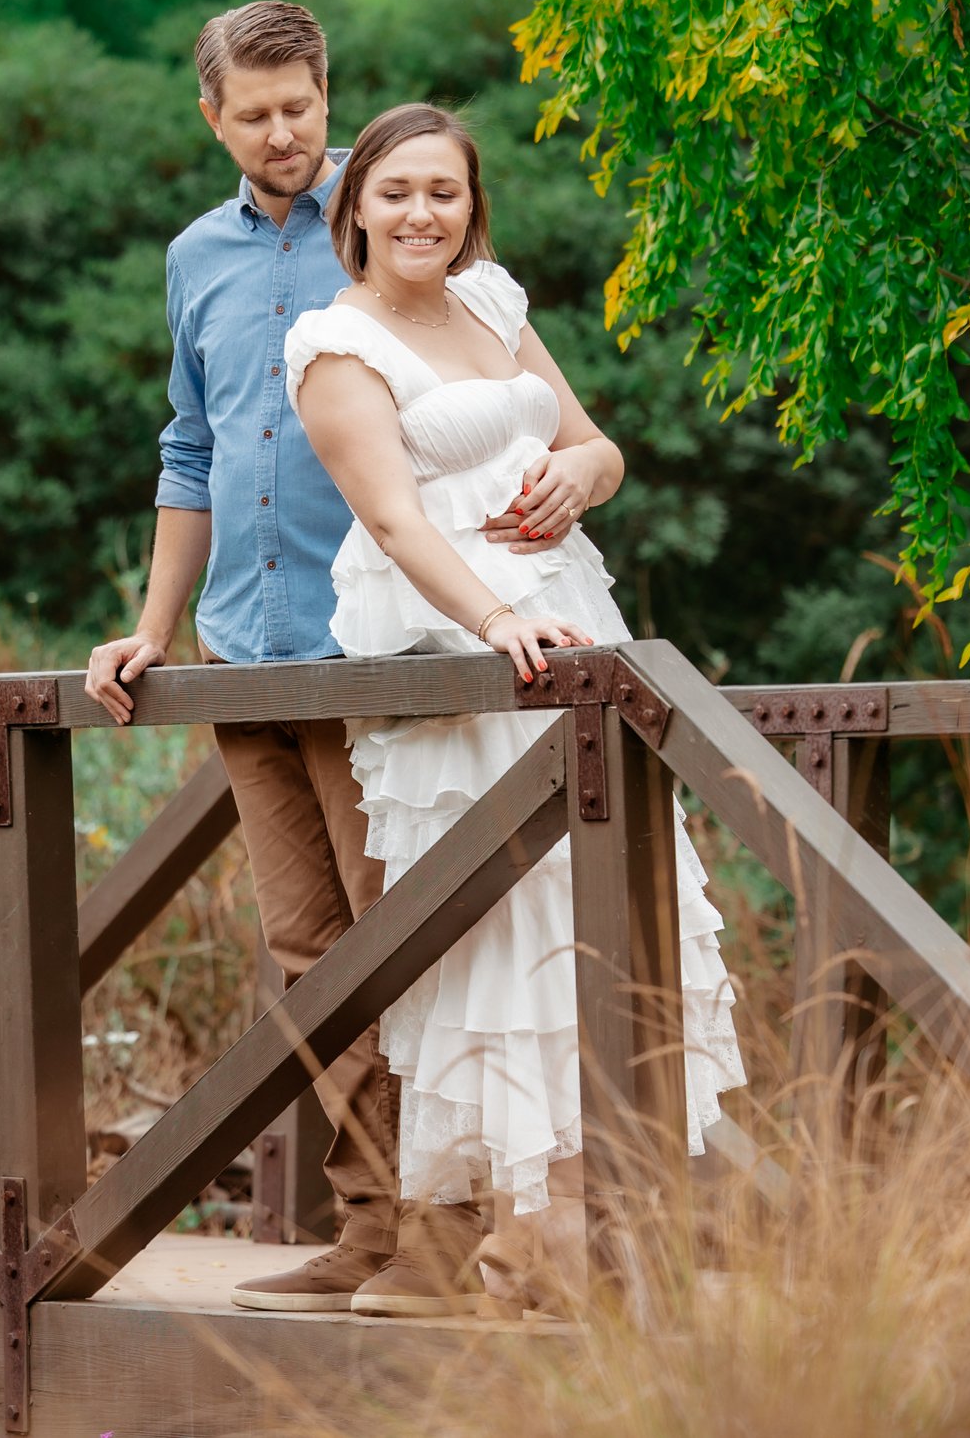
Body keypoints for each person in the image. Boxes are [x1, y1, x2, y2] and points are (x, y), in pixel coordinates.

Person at [84, 3, 570, 1318]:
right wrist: (151, 625)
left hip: (381, 653)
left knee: (406, 939)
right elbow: (193, 451)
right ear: (214, 117)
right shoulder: (196, 258)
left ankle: (448, 1228)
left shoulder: (400, 237)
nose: (286, 132)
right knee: (309, 953)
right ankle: (369, 1225)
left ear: (328, 93)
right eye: (257, 113)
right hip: (247, 647)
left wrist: (573, 474)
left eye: (303, 106)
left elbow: (511, 405)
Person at [282, 101, 745, 1241]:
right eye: (394, 192)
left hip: (577, 624)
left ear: (470, 204)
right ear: (355, 210)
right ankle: (526, 1236)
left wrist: (579, 479)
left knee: (618, 895)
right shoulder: (333, 343)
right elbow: (391, 520)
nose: (420, 212)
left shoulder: (494, 300)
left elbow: (598, 442)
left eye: (443, 191)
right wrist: (496, 620)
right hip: (468, 651)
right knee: (506, 927)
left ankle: (609, 1211)